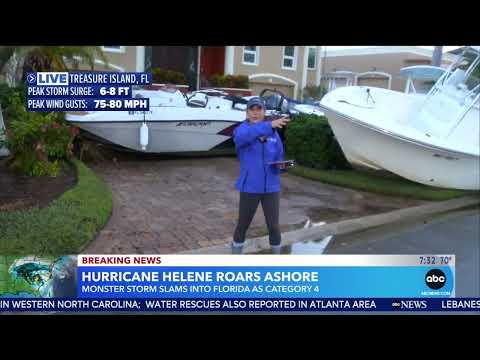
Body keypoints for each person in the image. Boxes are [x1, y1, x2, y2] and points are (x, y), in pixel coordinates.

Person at [231, 97, 290, 254]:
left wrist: (282, 166)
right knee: (243, 224)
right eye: (252, 109)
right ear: (247, 112)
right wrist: (269, 125)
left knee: (274, 226)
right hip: (250, 186)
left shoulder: (273, 135)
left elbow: (278, 155)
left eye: (259, 109)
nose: (255, 113)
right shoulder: (241, 130)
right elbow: (244, 137)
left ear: (264, 112)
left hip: (271, 188)